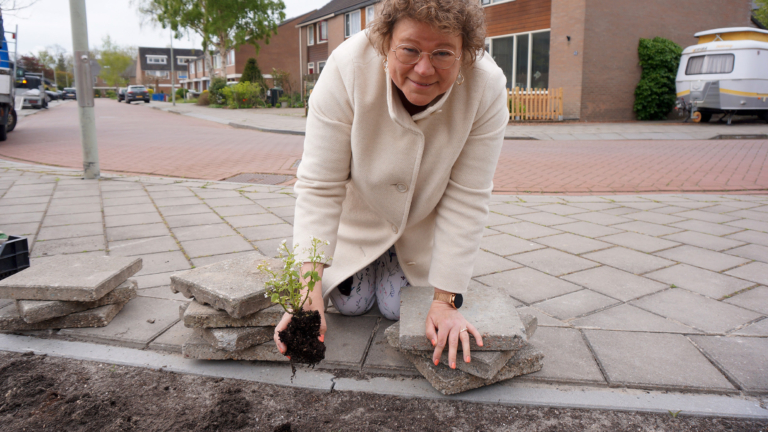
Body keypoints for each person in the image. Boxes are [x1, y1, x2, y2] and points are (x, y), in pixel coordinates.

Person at [274, 0, 509, 370]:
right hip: (359, 220)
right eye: (410, 49)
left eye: (443, 53)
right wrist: (306, 294)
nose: (424, 68)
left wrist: (446, 301)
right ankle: (365, 260)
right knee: (350, 304)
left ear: (466, 53)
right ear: (385, 43)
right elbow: (320, 185)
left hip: (421, 227)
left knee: (395, 308)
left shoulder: (488, 86)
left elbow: (468, 196)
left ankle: (397, 260)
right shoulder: (346, 66)